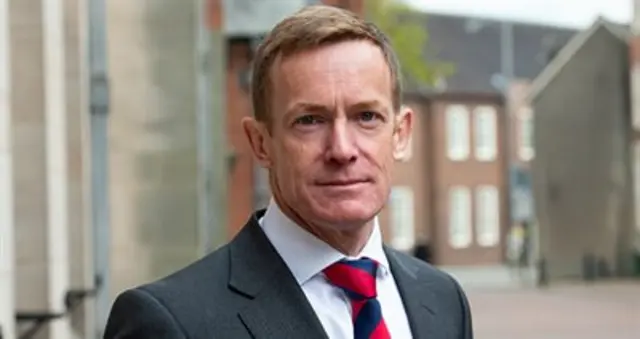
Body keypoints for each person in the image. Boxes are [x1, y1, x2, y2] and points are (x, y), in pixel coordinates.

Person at [104, 5, 473, 339]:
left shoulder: (443, 301)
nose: (342, 149)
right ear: (261, 143)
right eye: (310, 120)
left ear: (401, 134)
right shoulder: (170, 322)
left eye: (366, 117)